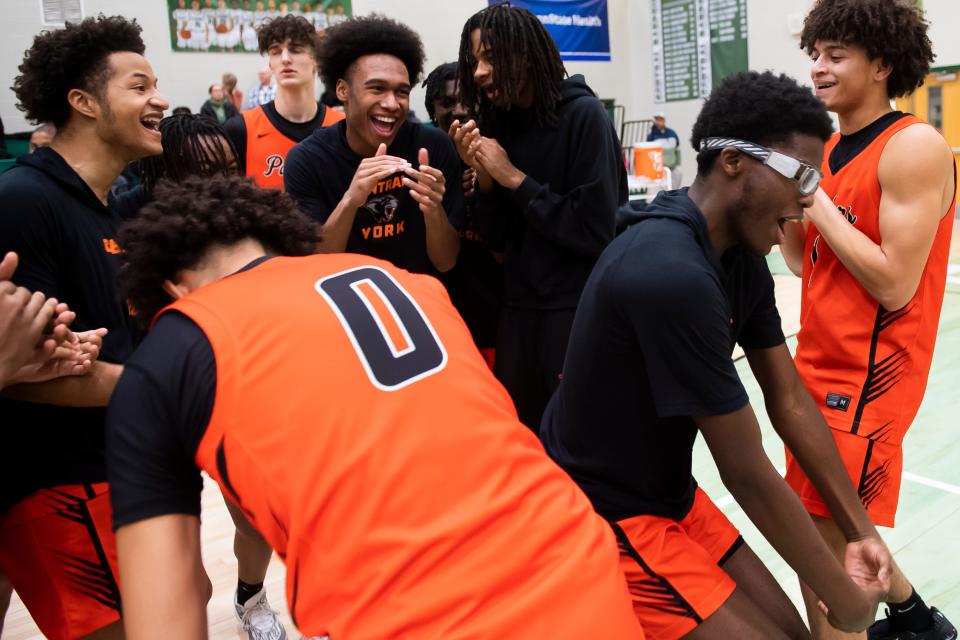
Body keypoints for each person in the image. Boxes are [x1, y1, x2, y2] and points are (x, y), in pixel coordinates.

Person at [107, 173, 644, 640]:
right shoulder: (402, 281)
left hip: (415, 620)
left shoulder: (175, 347)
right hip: (581, 575)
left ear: (173, 289)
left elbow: (166, 615)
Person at [540, 70, 900, 639]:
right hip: (605, 511)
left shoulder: (738, 256)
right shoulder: (669, 272)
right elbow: (746, 469)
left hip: (671, 495)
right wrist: (845, 599)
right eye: (801, 176)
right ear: (734, 162)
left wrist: (860, 533)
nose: (809, 201)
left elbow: (791, 403)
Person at [780, 2, 958, 639]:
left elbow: (892, 283)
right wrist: (782, 202)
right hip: (814, 368)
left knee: (830, 558)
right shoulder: (826, 149)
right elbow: (806, 264)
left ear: (882, 64)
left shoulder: (913, 147)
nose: (818, 68)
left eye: (836, 55)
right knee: (817, 533)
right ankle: (914, 617)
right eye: (815, 54)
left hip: (867, 384)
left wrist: (811, 198)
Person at [0, 15, 167, 640]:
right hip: (55, 486)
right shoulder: (24, 202)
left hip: (110, 473)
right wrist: (172, 385)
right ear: (83, 102)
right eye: (139, 85)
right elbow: (21, 375)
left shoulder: (103, 210)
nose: (159, 100)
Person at [116, 112, 290, 640]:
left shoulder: (247, 219)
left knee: (254, 518)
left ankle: (252, 596)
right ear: (161, 173)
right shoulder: (124, 216)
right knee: (176, 557)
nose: (219, 180)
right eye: (202, 168)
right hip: (155, 397)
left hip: (231, 388)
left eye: (227, 167)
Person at [451, 3, 626, 430]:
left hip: (575, 312)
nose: (478, 73)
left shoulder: (584, 116)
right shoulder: (500, 124)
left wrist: (512, 177)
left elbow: (595, 230)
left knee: (579, 440)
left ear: (524, 55)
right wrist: (486, 183)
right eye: (474, 61)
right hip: (518, 313)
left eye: (490, 58)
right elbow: (498, 241)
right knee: (524, 438)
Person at [284, 15, 462, 275]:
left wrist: (433, 210)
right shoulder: (308, 159)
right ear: (343, 91)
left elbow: (447, 261)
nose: (392, 103)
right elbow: (315, 267)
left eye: (402, 92)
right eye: (377, 89)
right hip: (344, 306)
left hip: (418, 302)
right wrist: (350, 200)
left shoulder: (433, 147)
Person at [423, 61, 501, 366]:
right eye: (447, 103)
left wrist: (486, 185)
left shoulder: (501, 156)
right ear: (433, 112)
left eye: (467, 100)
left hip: (497, 319)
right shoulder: (423, 160)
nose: (458, 109)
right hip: (442, 323)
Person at [225, 14, 343, 191]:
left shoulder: (342, 127)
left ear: (317, 61)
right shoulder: (240, 130)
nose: (285, 58)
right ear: (271, 64)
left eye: (295, 49)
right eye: (276, 51)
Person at [647, 111, 682, 187]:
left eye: (660, 120)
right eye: (656, 120)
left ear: (664, 120)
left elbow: (677, 149)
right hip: (659, 169)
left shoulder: (672, 133)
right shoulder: (652, 136)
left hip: (672, 167)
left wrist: (677, 163)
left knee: (678, 175)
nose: (658, 122)